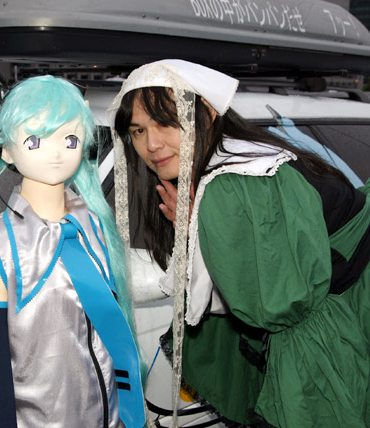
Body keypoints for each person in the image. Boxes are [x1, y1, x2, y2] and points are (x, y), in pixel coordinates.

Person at [110, 59, 370, 428]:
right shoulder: (244, 158)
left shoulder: (232, 185)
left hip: (329, 346)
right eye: (138, 131)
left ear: (207, 112)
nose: (152, 144)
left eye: (167, 122)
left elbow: (275, 306)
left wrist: (207, 231)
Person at [0, 76, 145, 428]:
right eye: (35, 140)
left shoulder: (95, 225)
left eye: (70, 139)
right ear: (6, 150)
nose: (56, 153)